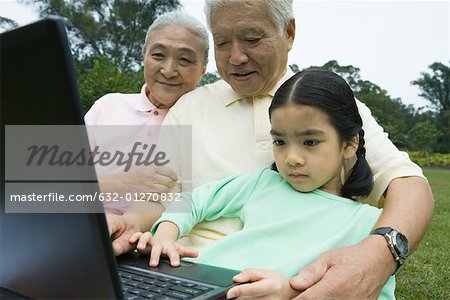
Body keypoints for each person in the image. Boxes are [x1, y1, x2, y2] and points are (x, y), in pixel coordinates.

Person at [114, 0, 434, 298]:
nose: (236, 56)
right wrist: (132, 222)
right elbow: (157, 193)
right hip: (184, 277)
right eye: (223, 42)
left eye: (252, 39)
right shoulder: (190, 107)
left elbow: (408, 184)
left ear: (289, 33)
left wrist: (379, 254)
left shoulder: (330, 108)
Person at [131, 70, 396, 299]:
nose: (292, 159)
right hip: (195, 287)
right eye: (280, 142)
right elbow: (194, 201)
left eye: (310, 142)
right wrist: (166, 233)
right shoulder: (263, 183)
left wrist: (291, 293)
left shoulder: (370, 226)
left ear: (349, 144)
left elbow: (366, 292)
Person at [84, 11, 208, 214]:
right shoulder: (108, 106)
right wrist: (127, 182)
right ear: (144, 57)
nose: (168, 70)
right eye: (158, 55)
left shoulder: (207, 121)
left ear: (203, 69)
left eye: (185, 60)